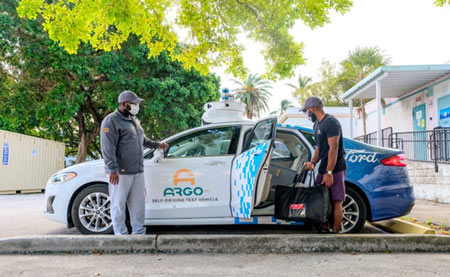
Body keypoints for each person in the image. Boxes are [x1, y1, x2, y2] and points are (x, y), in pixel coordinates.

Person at [100, 90, 169, 235]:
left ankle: (139, 234)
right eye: (134, 103)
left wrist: (157, 145)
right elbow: (108, 147)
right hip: (120, 172)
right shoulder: (111, 120)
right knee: (118, 205)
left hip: (138, 170)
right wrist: (112, 170)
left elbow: (142, 140)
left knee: (138, 206)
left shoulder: (134, 121)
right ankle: (121, 236)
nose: (137, 106)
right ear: (124, 104)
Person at [302, 96, 346, 234]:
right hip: (323, 168)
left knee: (336, 201)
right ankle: (325, 227)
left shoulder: (331, 122)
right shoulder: (317, 125)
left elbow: (334, 148)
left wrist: (329, 173)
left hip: (335, 168)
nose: (306, 114)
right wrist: (313, 162)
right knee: (321, 199)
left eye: (307, 110)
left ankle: (336, 234)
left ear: (312, 108)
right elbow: (319, 148)